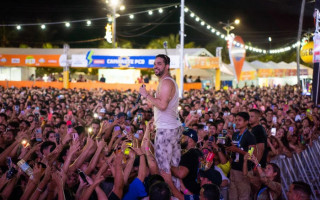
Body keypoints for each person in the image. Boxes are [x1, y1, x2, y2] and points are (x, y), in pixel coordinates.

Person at [139, 54, 182, 187]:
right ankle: (176, 192)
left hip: (166, 130)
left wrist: (146, 94)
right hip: (171, 127)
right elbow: (163, 106)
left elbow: (162, 105)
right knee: (172, 166)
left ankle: (167, 194)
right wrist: (154, 119)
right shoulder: (166, 81)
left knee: (163, 169)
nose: (155, 66)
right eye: (155, 64)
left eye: (159, 64)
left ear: (167, 66)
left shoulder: (166, 82)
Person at [227, 112, 256, 200]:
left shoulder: (250, 136)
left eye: (239, 120)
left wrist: (237, 150)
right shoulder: (235, 135)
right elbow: (234, 149)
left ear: (246, 122)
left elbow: (251, 155)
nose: (237, 122)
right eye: (236, 120)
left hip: (244, 171)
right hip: (233, 169)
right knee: (232, 196)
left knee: (243, 196)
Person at [171, 128, 202, 198]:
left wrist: (167, 166)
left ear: (190, 140)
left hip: (188, 193)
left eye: (183, 137)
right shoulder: (199, 152)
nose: (180, 139)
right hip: (196, 191)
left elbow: (180, 173)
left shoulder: (190, 154)